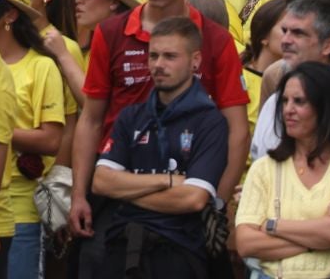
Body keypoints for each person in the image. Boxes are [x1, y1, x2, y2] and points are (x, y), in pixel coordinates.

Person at [85, 17, 229, 279]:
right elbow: (101, 182)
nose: (158, 65)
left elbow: (193, 199)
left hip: (179, 251)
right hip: (122, 246)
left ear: (195, 61)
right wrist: (167, 180)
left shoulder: (211, 121)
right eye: (153, 56)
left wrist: (126, 189)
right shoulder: (131, 116)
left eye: (170, 56)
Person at [232, 61, 330, 279]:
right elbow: (245, 243)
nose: (288, 110)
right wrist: (317, 236)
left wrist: (271, 224)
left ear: (325, 107)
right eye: (285, 101)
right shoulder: (264, 168)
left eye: (299, 101)